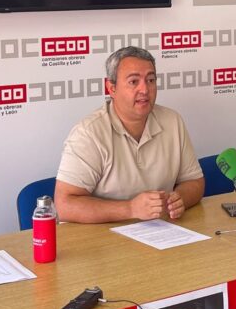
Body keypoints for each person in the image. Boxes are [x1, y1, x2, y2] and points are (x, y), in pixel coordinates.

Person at [54, 46, 205, 223]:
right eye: (134, 82)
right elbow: (64, 205)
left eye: (150, 80)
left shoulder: (172, 121)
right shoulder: (88, 133)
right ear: (111, 88)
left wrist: (179, 199)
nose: (145, 89)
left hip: (160, 232)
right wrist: (130, 209)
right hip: (101, 236)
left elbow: (194, 182)